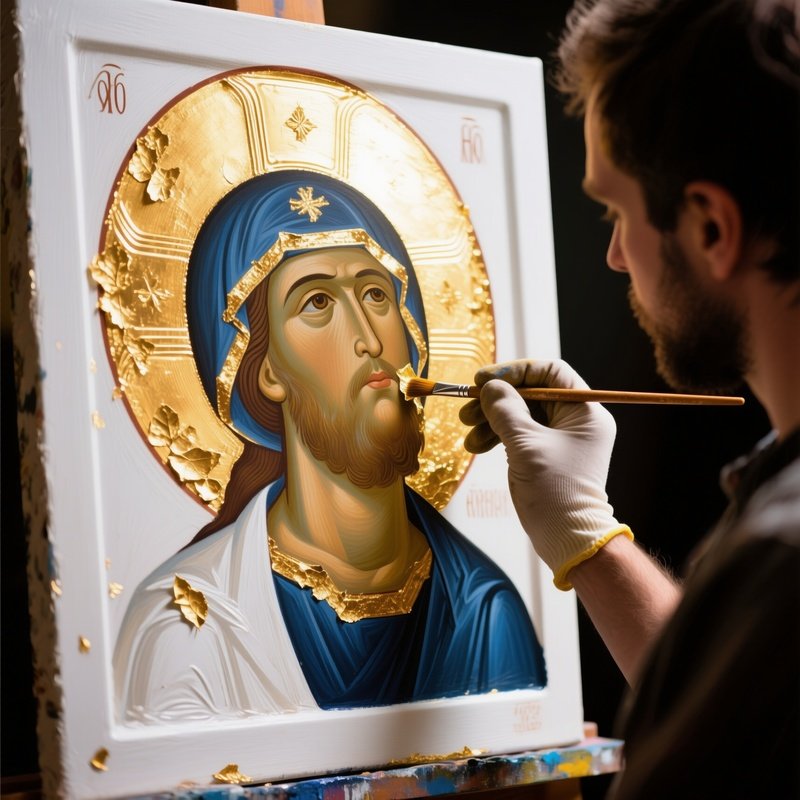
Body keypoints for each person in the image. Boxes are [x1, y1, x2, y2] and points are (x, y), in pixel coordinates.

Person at [460, 1, 799, 797]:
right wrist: (587, 531)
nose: (613, 256)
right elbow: (743, 718)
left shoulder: (782, 559)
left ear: (712, 227)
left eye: (616, 211)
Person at [113, 170, 546, 724]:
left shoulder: (486, 611)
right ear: (265, 368)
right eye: (317, 303)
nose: (369, 337)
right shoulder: (189, 624)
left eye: (375, 294)